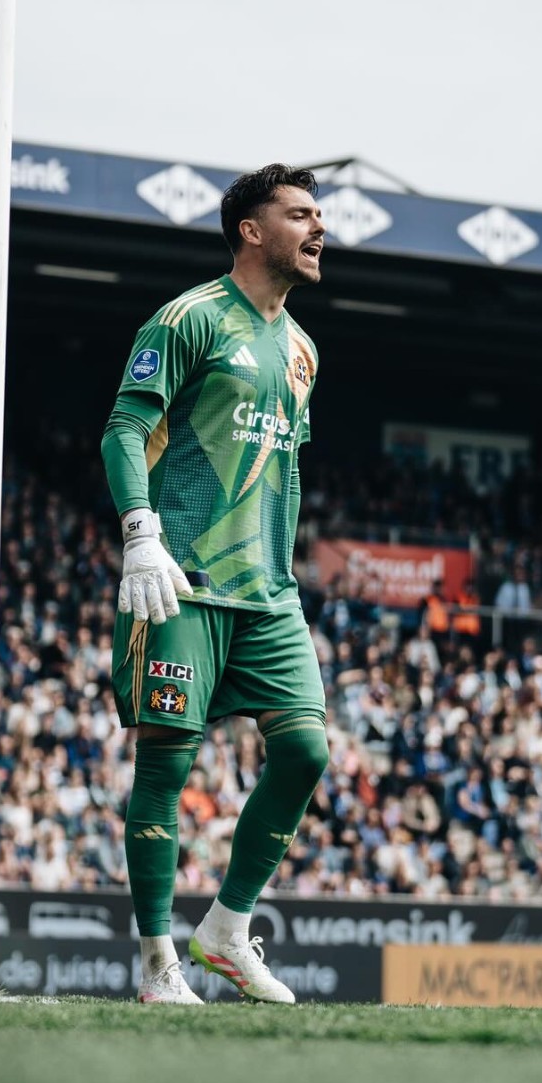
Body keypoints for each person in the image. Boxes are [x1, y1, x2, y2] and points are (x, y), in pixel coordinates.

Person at [100, 163, 328, 1004]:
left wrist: (284, 572)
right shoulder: (188, 318)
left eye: (319, 216)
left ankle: (226, 930)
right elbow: (124, 430)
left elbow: (285, 474)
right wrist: (140, 536)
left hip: (268, 593)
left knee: (306, 751)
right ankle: (159, 964)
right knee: (167, 764)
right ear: (251, 229)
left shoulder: (302, 351)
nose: (317, 229)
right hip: (182, 582)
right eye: (300, 215)